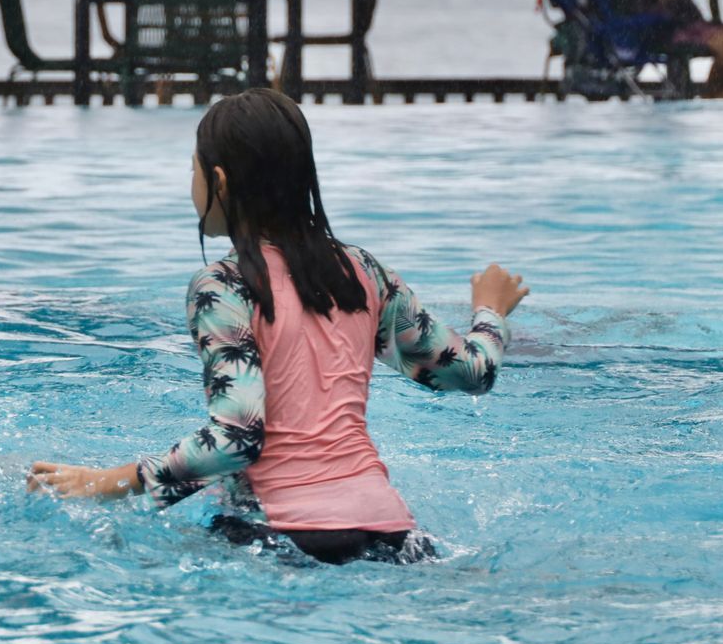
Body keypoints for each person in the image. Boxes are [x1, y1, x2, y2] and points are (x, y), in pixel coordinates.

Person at [27, 88, 528, 566]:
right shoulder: (363, 273)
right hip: (395, 533)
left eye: (193, 171)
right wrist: (491, 312)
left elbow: (238, 438)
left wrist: (108, 481)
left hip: (283, 538)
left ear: (218, 182)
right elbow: (470, 372)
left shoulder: (223, 285)